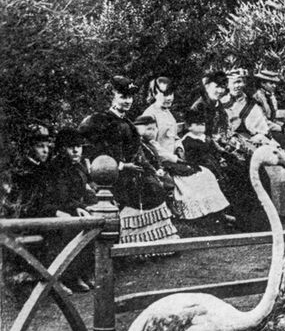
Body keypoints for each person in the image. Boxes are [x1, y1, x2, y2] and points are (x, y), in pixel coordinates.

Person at [79, 77, 178, 244]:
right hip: (108, 174)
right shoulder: (99, 120)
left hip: (132, 171)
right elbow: (91, 150)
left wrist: (150, 169)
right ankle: (129, 246)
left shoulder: (127, 123)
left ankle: (152, 246)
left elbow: (137, 151)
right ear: (112, 97)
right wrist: (122, 165)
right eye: (123, 97)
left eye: (130, 97)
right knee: (137, 192)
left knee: (153, 188)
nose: (128, 101)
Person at [223, 68, 285, 225]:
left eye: (240, 82)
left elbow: (261, 124)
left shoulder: (249, 102)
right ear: (226, 84)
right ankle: (278, 212)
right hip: (233, 141)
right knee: (273, 170)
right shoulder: (221, 102)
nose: (238, 85)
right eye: (234, 82)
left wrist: (261, 136)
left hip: (256, 137)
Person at [143, 77, 231, 222]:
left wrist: (179, 148)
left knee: (205, 173)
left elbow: (175, 137)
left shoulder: (167, 113)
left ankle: (212, 212)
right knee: (199, 176)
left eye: (171, 94)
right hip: (160, 161)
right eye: (164, 94)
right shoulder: (150, 115)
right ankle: (195, 214)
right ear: (154, 93)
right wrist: (175, 159)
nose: (169, 98)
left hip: (174, 158)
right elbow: (152, 145)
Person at [51, 127, 96, 291]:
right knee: (74, 229)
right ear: (62, 149)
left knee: (99, 219)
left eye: (79, 146)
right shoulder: (57, 168)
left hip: (77, 208)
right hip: (59, 210)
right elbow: (61, 197)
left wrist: (92, 203)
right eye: (71, 147)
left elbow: (88, 187)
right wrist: (79, 207)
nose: (76, 150)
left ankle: (86, 272)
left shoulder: (79, 166)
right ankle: (71, 276)